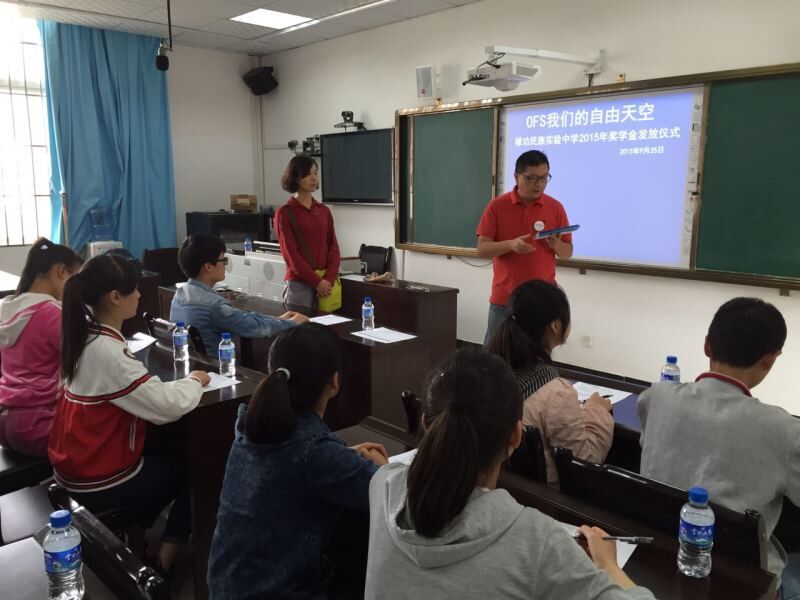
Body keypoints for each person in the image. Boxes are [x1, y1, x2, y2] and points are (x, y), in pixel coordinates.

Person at [365, 348, 654, 600]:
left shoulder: (382, 484)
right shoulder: (537, 541)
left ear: (426, 423)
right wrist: (609, 566)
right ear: (516, 436)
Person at [48, 254, 211, 572]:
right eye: (134, 289)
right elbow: (168, 406)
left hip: (74, 469)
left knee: (168, 446)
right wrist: (194, 380)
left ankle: (139, 528)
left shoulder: (85, 336)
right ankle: (163, 560)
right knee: (200, 464)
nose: (138, 294)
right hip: (99, 481)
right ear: (115, 297)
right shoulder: (107, 352)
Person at [208, 323, 387, 600]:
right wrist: (386, 470)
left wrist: (341, 456)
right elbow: (394, 497)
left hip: (224, 588)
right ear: (335, 381)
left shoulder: (249, 425)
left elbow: (288, 468)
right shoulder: (314, 453)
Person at [638, 297, 799, 598]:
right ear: (770, 360)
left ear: (706, 346)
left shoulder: (655, 397)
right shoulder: (786, 432)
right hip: (744, 581)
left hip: (658, 555)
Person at [487, 280, 613, 482]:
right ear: (555, 325)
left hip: (502, 481)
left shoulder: (488, 371)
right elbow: (584, 462)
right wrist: (597, 411)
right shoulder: (556, 393)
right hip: (546, 495)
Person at [476, 150, 573, 346]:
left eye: (544, 178)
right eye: (531, 178)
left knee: (537, 356)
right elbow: (482, 249)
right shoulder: (497, 206)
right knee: (495, 355)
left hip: (542, 302)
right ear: (516, 177)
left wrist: (557, 245)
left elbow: (567, 252)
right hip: (505, 300)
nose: (538, 184)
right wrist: (511, 245)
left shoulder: (555, 208)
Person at [0, 238, 82, 456]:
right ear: (61, 272)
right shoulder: (50, 312)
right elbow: (84, 355)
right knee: (103, 433)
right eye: (75, 279)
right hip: (38, 423)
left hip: (5, 422)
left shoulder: (7, 308)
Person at [170, 233, 307, 353]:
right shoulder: (214, 306)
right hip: (215, 369)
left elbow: (243, 317)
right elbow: (255, 328)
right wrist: (292, 323)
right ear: (208, 266)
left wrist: (277, 320)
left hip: (193, 365)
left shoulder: (179, 296)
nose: (225, 265)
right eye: (224, 260)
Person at [275, 155, 341, 315]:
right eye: (307, 174)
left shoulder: (323, 210)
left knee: (327, 328)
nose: (314, 178)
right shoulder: (285, 212)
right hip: (300, 285)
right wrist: (317, 282)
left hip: (326, 284)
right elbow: (291, 255)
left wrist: (329, 279)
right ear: (296, 177)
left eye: (316, 173)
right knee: (300, 328)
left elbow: (333, 247)